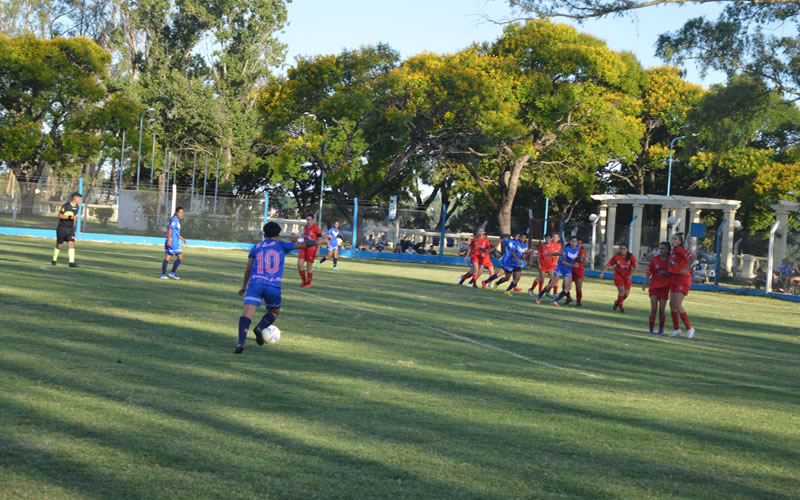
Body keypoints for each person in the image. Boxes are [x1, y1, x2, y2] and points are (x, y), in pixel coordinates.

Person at [234, 221, 317, 354]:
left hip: (256, 284)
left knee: (247, 314)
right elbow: (303, 244)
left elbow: (248, 269)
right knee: (274, 312)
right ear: (278, 235)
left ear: (264, 233)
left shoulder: (256, 247)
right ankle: (260, 327)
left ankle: (241, 342)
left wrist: (244, 286)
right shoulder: (282, 245)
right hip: (273, 285)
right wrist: (318, 241)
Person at [667, 232, 696, 338]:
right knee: (672, 305)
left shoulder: (680, 250)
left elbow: (693, 256)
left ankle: (689, 328)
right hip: (675, 279)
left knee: (677, 304)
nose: (673, 241)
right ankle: (677, 329)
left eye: (675, 239)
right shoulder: (674, 251)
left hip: (682, 280)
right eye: (672, 239)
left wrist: (686, 268)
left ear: (680, 242)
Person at [537, 236, 580, 306]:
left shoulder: (577, 249)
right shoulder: (567, 250)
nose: (574, 243)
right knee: (551, 285)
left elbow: (560, 253)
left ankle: (555, 301)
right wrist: (572, 265)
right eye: (572, 241)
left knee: (568, 287)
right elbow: (563, 262)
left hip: (568, 270)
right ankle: (540, 294)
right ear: (570, 242)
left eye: (575, 241)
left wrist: (581, 260)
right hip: (561, 269)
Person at [643, 241, 672, 335]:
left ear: (668, 250)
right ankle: (651, 329)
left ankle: (661, 329)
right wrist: (645, 283)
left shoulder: (671, 261)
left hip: (665, 288)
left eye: (663, 249)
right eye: (660, 248)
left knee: (662, 310)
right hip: (654, 287)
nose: (661, 250)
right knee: (654, 308)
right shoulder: (655, 260)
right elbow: (648, 272)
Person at [599, 243, 637, 313]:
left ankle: (617, 302)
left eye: (624, 249)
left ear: (627, 250)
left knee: (626, 294)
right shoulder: (616, 256)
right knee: (621, 291)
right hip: (618, 276)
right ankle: (621, 308)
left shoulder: (631, 256)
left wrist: (632, 275)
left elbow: (635, 267)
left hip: (627, 277)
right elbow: (608, 265)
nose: (622, 250)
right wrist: (602, 273)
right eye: (621, 249)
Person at [52, 192, 82, 267]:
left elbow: (74, 217)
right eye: (79, 199)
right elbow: (59, 216)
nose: (80, 200)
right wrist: (69, 217)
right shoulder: (66, 205)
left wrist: (74, 227)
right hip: (62, 228)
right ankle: (54, 260)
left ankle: (71, 263)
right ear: (75, 198)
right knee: (59, 245)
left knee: (71, 243)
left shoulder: (77, 207)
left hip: (70, 229)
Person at [161, 207, 187, 279]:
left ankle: (163, 274)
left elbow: (175, 232)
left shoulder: (176, 220)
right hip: (172, 242)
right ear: (176, 212)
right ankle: (172, 272)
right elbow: (170, 229)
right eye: (180, 212)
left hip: (173, 241)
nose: (181, 214)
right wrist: (169, 240)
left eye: (182, 213)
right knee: (180, 256)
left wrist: (182, 238)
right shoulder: (175, 219)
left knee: (168, 257)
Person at [297, 213, 322, 288]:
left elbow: (319, 239)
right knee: (299, 264)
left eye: (310, 220)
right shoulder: (305, 227)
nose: (308, 221)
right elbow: (303, 236)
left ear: (313, 220)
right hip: (304, 247)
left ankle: (309, 283)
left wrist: (318, 250)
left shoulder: (316, 228)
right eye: (307, 220)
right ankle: (304, 281)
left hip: (312, 248)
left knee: (309, 266)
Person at [570, 238, 587, 307]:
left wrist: (582, 259)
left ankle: (578, 302)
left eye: (580, 243)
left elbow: (582, 260)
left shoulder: (582, 251)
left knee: (578, 287)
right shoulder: (570, 250)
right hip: (570, 270)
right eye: (577, 242)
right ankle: (568, 298)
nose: (578, 244)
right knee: (565, 286)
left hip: (579, 271)